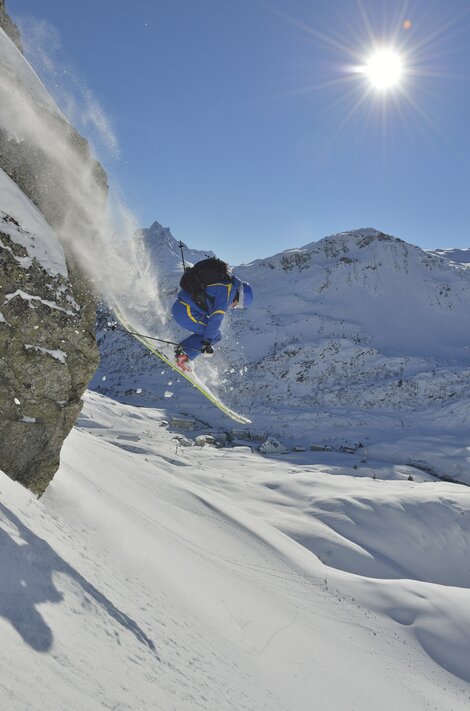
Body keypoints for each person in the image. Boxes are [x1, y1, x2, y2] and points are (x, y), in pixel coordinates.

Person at [172, 272, 253, 371]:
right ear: (239, 297)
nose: (234, 307)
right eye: (238, 305)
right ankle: (181, 357)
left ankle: (181, 352)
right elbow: (216, 318)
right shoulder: (227, 294)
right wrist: (207, 342)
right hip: (186, 311)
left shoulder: (225, 285)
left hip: (182, 307)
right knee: (215, 335)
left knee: (212, 334)